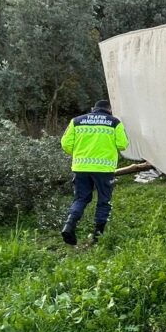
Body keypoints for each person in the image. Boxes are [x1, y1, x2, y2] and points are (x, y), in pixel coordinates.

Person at [60, 99, 129, 245]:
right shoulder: (114, 122)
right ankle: (97, 236)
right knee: (104, 200)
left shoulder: (76, 121)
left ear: (93, 109)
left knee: (80, 199)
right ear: (109, 110)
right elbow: (122, 145)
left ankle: (69, 225)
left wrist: (80, 153)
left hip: (81, 168)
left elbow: (65, 144)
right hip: (104, 170)